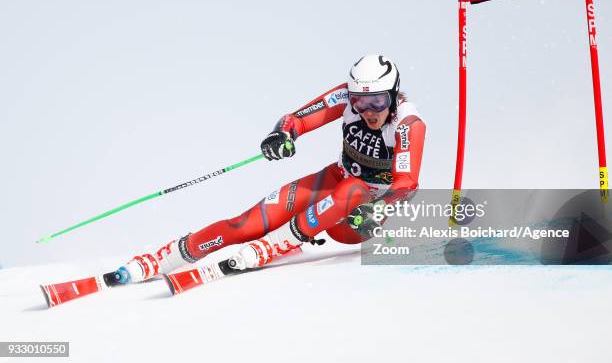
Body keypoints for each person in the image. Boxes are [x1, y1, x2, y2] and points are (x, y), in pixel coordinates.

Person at [115, 54, 426, 283]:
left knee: (354, 190)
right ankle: (162, 258)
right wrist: (282, 134)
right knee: (245, 224)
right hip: (333, 181)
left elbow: (405, 184)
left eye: (377, 102)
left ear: (394, 94)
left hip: (359, 219)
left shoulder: (406, 124)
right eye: (360, 102)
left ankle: (270, 247)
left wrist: (379, 209)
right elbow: (297, 119)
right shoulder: (345, 96)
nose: (367, 111)